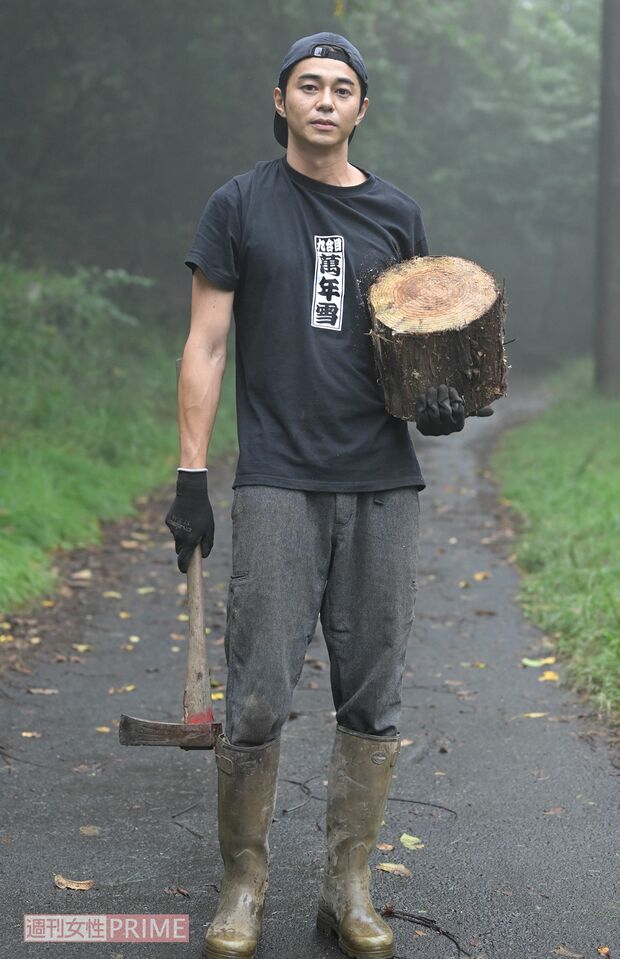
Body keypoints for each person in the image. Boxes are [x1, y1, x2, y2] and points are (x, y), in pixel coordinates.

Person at [166, 32, 491, 959]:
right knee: (260, 691)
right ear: (280, 100)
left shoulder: (397, 213)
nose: (323, 100)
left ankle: (348, 886)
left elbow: (424, 347)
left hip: (384, 482)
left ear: (360, 109)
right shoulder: (238, 205)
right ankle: (243, 883)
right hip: (278, 478)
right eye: (307, 85)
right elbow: (206, 344)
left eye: (341, 88)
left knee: (375, 687)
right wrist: (192, 475)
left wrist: (441, 406)